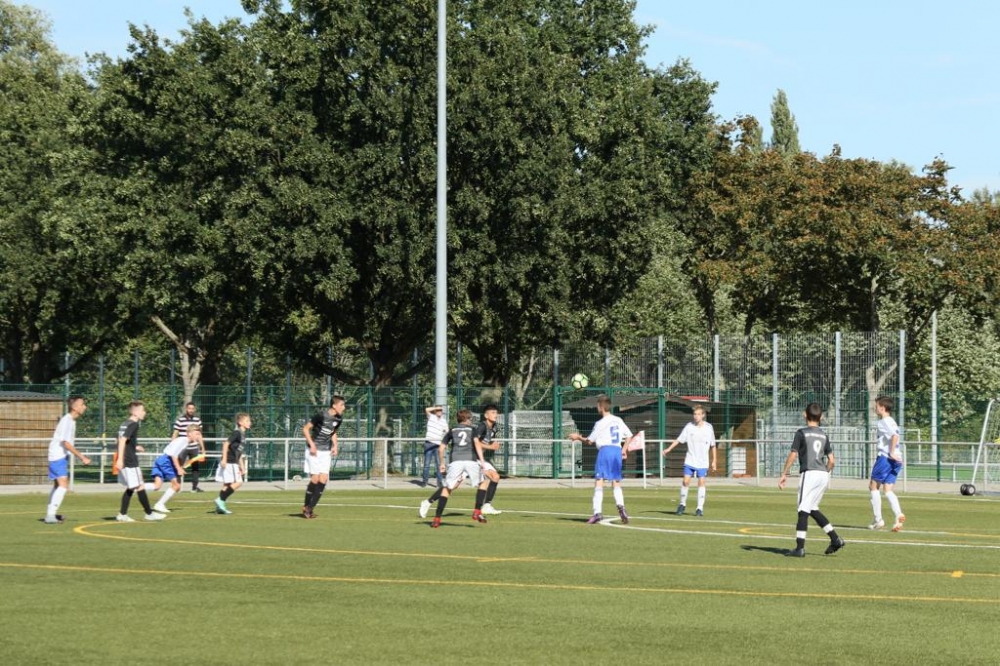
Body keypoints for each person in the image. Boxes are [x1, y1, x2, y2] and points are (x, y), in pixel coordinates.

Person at [778, 402, 845, 557]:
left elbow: (793, 454)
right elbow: (832, 461)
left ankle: (799, 548)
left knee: (802, 509)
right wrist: (824, 472)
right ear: (821, 417)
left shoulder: (801, 433)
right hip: (823, 473)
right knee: (812, 507)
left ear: (805, 414)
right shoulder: (823, 435)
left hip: (810, 473)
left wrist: (784, 473)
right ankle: (835, 539)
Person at [568, 394, 635, 524]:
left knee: (599, 481)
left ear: (600, 407)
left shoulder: (600, 423)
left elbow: (589, 441)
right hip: (616, 451)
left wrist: (578, 437)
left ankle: (597, 513)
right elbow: (629, 436)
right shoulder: (618, 420)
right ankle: (621, 507)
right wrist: (624, 450)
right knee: (616, 482)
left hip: (605, 451)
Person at [418, 409, 484, 527]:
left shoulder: (452, 430)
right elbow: (477, 444)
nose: (471, 421)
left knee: (448, 488)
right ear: (466, 419)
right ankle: (477, 510)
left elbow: (441, 449)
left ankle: (436, 518)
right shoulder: (472, 430)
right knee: (483, 483)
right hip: (470, 460)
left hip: (456, 461)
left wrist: (442, 463)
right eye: (470, 418)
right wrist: (482, 461)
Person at [43, 396, 91, 524]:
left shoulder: (71, 421)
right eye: (82, 404)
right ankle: (50, 516)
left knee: (58, 485)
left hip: (59, 456)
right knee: (63, 485)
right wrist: (82, 457)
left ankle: (51, 514)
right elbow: (66, 443)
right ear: (74, 407)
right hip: (57, 456)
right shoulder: (67, 421)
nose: (84, 407)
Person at [662, 405, 717, 516]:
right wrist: (668, 449)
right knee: (685, 481)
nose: (696, 416)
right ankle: (682, 504)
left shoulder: (708, 428)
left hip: (702, 461)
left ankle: (699, 508)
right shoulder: (689, 426)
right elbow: (679, 439)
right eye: (694, 414)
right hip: (690, 459)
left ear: (703, 415)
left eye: (698, 414)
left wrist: (714, 461)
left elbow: (713, 445)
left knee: (701, 482)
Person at [114, 400, 165, 523]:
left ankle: (122, 514)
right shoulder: (133, 424)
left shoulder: (124, 423)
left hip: (126, 459)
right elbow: (122, 440)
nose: (144, 412)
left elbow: (119, 440)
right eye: (142, 410)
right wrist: (120, 459)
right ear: (135, 412)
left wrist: (135, 446)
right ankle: (149, 513)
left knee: (132, 487)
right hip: (129, 461)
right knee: (139, 486)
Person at [300, 396, 345, 518]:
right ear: (334, 406)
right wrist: (312, 444)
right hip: (313, 451)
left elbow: (333, 432)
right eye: (342, 405)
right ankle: (306, 505)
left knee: (323, 479)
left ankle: (309, 508)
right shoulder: (321, 415)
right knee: (315, 479)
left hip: (326, 452)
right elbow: (305, 429)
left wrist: (335, 445)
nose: (344, 407)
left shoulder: (339, 419)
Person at [146, 424, 203, 514]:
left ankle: (137, 487)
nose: (198, 436)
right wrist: (179, 468)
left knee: (157, 486)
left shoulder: (184, 441)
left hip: (161, 460)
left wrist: (180, 466)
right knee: (176, 486)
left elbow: (174, 454)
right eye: (196, 434)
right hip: (166, 461)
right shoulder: (184, 441)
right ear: (189, 433)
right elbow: (173, 455)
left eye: (199, 434)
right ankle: (159, 504)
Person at [868, 395, 906, 531]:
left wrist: (891, 452)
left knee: (873, 486)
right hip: (897, 460)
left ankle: (878, 520)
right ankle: (898, 514)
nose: (875, 408)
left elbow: (894, 436)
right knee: (888, 490)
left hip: (886, 458)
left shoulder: (883, 422)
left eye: (877, 406)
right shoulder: (892, 421)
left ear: (882, 408)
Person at [215, 413, 251, 515]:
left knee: (227, 484)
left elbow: (239, 452)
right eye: (247, 421)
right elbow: (226, 444)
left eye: (249, 421)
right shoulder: (237, 433)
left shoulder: (243, 435)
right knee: (238, 482)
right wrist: (224, 459)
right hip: (229, 461)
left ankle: (220, 507)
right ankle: (220, 499)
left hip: (233, 461)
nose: (249, 423)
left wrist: (242, 466)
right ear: (240, 422)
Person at [475, 404, 503, 515]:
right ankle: (429, 501)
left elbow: (486, 442)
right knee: (453, 485)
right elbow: (475, 442)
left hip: (480, 458)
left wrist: (492, 445)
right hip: (471, 458)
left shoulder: (494, 427)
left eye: (496, 413)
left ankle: (486, 506)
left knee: (495, 477)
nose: (496, 415)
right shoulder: (482, 426)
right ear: (486, 415)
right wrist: (490, 446)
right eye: (493, 412)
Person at [172, 402, 205, 492]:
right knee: (179, 466)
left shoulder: (197, 420)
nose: (191, 410)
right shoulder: (180, 420)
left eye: (192, 408)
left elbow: (199, 435)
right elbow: (175, 433)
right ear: (186, 409)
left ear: (194, 409)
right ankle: (177, 487)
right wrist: (173, 445)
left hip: (194, 448)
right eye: (189, 408)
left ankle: (194, 487)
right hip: (183, 448)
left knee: (195, 467)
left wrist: (202, 448)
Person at [421, 405, 448, 488]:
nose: (439, 411)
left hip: (438, 445)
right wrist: (436, 408)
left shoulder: (444, 421)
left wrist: (445, 443)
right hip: (429, 443)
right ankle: (424, 481)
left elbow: (447, 432)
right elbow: (426, 409)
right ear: (435, 411)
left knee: (438, 464)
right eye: (438, 410)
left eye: (441, 410)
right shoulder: (431, 417)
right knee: (427, 464)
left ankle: (439, 482)